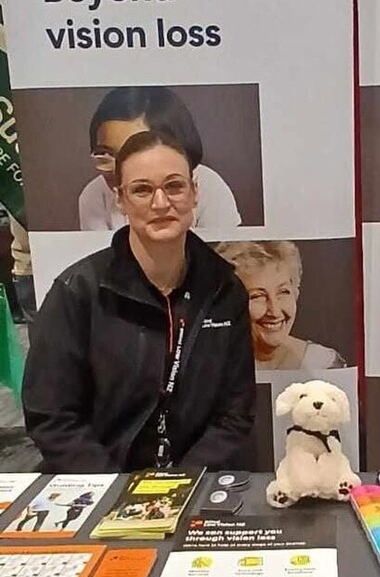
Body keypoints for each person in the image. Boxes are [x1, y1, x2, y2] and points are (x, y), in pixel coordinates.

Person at [23, 130, 255, 473]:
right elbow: (52, 416)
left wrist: (179, 487)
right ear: (120, 199)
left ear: (194, 193)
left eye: (174, 186)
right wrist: (119, 495)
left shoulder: (224, 289)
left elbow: (234, 416)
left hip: (196, 484)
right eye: (142, 190)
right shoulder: (78, 291)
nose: (161, 203)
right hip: (101, 487)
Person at [78, 85, 241, 230]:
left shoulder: (210, 188)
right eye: (106, 155)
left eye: (134, 152)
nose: (118, 170)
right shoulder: (94, 196)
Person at [215, 241, 346, 371]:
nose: (275, 311)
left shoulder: (322, 363)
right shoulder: (210, 364)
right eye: (257, 296)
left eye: (283, 292)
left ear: (295, 293)